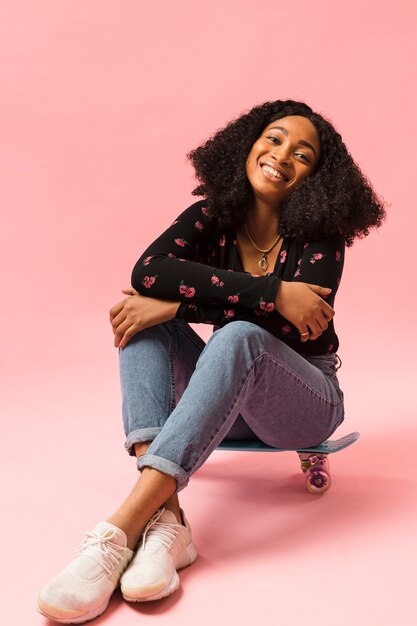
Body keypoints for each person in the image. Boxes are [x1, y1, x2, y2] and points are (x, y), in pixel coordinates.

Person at [37, 99, 385, 623]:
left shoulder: (322, 235)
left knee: (240, 332)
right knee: (142, 321)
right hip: (224, 393)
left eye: (302, 153)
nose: (282, 155)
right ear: (246, 143)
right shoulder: (211, 216)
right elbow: (148, 272)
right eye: (273, 138)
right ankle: (168, 526)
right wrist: (265, 292)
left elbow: (284, 328)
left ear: (316, 177)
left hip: (303, 401)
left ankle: (118, 531)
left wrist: (185, 301)